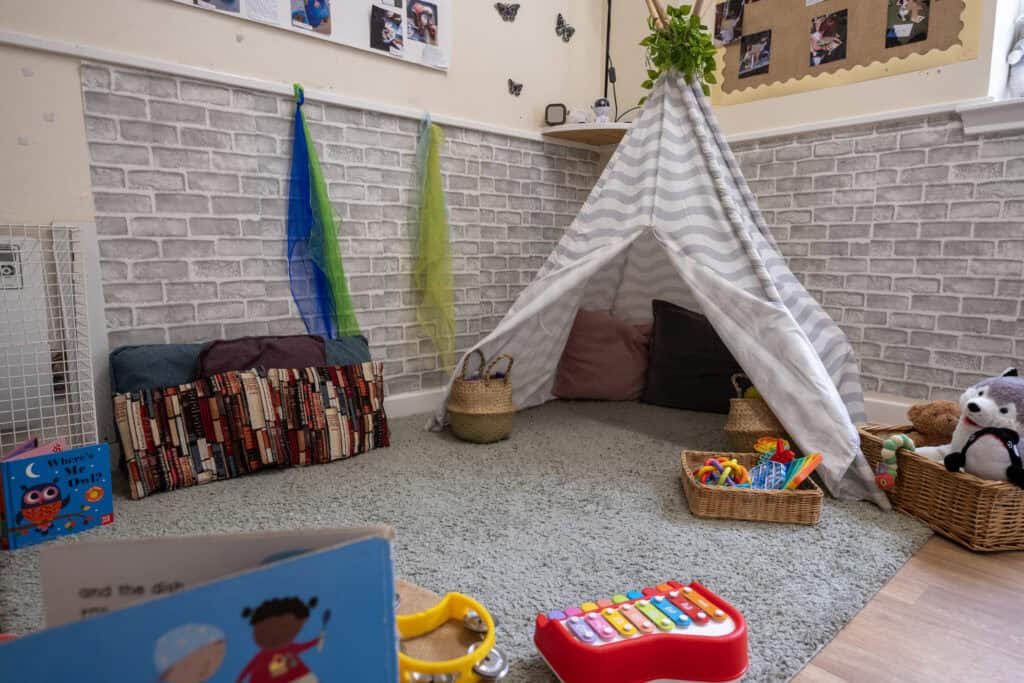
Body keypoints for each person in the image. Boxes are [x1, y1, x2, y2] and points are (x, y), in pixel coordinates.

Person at [237, 597, 323, 683]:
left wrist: (316, 640)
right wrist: (240, 678)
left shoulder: (288, 648)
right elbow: (250, 667)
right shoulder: (264, 655)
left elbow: (304, 646)